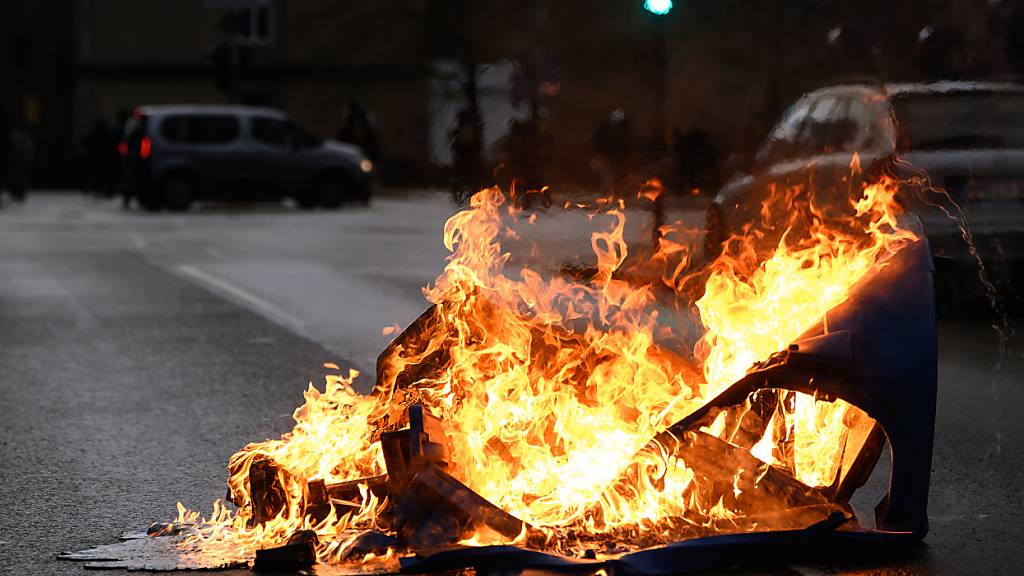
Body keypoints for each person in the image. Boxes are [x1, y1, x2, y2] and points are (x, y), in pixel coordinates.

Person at [7, 125, 34, 202]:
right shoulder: (21, 140)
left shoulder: (22, 140)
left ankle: (19, 194)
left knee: (20, 178)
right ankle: (17, 194)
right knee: (18, 178)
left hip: (20, 162)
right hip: (18, 162)